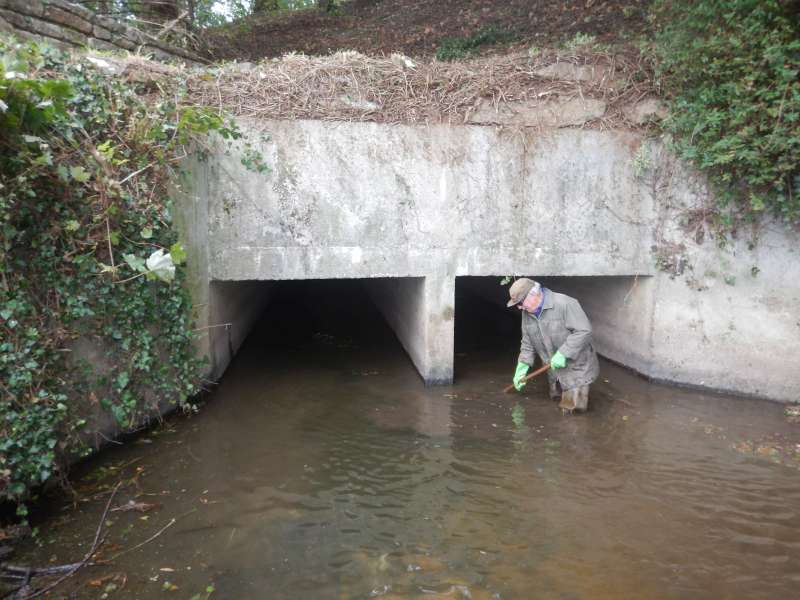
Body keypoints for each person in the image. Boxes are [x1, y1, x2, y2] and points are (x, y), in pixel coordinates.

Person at [507, 278, 599, 413]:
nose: (519, 307)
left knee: (571, 412)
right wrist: (522, 367)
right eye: (517, 305)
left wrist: (564, 353)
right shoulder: (526, 313)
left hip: (576, 367)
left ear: (533, 294)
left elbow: (584, 331)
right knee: (555, 399)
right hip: (552, 367)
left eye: (520, 303)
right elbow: (527, 343)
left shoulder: (565, 303)